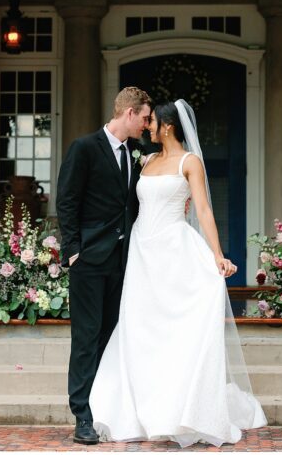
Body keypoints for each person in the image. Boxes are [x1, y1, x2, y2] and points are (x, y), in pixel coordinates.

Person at [88, 99, 268, 447]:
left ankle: (178, 409)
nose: (147, 126)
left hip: (173, 249)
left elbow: (202, 209)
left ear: (167, 127)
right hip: (142, 251)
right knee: (139, 326)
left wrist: (217, 255)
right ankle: (137, 409)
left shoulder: (190, 162)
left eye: (152, 121)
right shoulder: (149, 160)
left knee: (174, 329)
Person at [56, 86, 152, 445]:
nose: (146, 125)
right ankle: (82, 414)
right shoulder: (84, 148)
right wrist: (73, 251)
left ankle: (103, 408)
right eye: (144, 118)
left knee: (109, 339)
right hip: (89, 260)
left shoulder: (136, 153)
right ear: (129, 114)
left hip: (123, 263)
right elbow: (67, 200)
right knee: (85, 338)